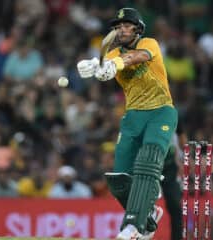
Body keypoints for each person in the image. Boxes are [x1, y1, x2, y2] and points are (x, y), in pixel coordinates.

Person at [77, 7, 178, 240]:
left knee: (149, 159)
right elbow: (108, 66)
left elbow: (136, 57)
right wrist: (96, 66)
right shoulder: (112, 54)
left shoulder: (150, 43)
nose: (122, 29)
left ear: (138, 28)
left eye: (127, 25)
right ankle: (149, 213)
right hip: (133, 116)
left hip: (160, 111)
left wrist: (115, 65)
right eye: (118, 26)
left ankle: (133, 226)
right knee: (119, 179)